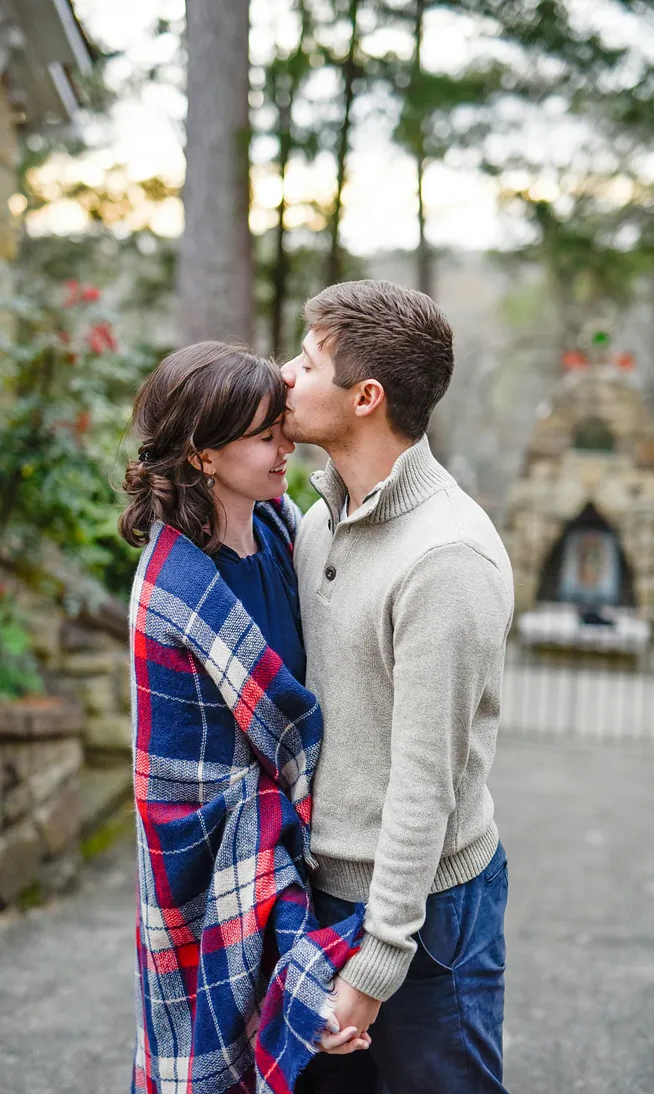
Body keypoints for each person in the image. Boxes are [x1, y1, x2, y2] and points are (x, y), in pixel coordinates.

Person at [281, 281, 515, 1094]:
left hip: (428, 917)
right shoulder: (319, 518)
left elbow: (425, 784)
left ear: (365, 397)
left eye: (307, 363)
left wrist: (378, 963)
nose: (285, 376)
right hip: (318, 900)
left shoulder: (447, 560)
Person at [118, 341, 368, 1094]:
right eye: (266, 435)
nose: (288, 445)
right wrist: (307, 971)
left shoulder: (283, 529)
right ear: (202, 456)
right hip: (213, 864)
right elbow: (202, 804)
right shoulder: (172, 593)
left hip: (305, 838)